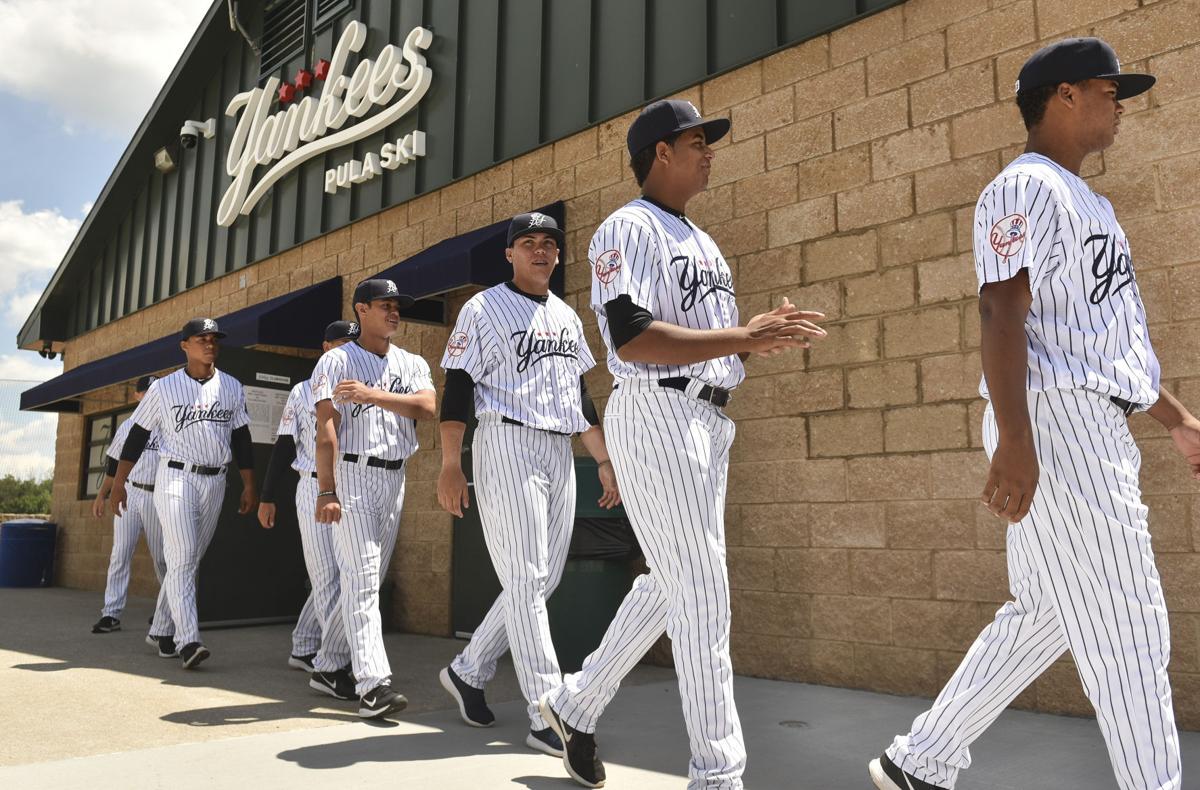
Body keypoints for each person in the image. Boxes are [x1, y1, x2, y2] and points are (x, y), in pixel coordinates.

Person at [869, 38, 1200, 790]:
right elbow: (1001, 310)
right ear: (1065, 95)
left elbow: (1100, 340)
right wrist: (1016, 440)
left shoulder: (1089, 201)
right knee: (1130, 624)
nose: (1120, 105)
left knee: (1046, 613)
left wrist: (1175, 417)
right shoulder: (1024, 188)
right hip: (1057, 421)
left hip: (1082, 414)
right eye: (1109, 91)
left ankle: (919, 760)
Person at [537, 99, 826, 789]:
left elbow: (711, 351)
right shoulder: (624, 228)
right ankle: (717, 775)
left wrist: (753, 339)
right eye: (697, 140)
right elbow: (633, 336)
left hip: (706, 419)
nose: (709, 151)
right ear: (660, 152)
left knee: (674, 584)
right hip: (656, 414)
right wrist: (742, 338)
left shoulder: (703, 239)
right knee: (703, 593)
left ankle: (576, 705)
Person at [435, 211, 620, 758]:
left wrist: (603, 461)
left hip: (557, 448)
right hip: (506, 442)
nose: (540, 251)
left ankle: (468, 671)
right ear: (510, 254)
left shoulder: (565, 315)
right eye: (528, 243)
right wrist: (451, 462)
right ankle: (549, 713)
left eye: (549, 244)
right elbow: (457, 387)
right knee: (525, 577)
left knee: (541, 579)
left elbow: (580, 396)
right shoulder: (483, 307)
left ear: (558, 257)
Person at [309, 278, 437, 718]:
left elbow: (427, 407)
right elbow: (326, 430)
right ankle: (373, 685)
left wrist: (372, 395)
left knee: (367, 581)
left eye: (398, 305)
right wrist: (327, 489)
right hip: (353, 475)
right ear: (361, 310)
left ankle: (328, 666)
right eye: (385, 305)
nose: (395, 311)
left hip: (395, 476)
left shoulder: (412, 361)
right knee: (362, 581)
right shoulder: (336, 362)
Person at [110, 318, 258, 669]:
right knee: (184, 554)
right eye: (201, 339)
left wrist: (249, 483)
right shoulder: (163, 388)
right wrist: (119, 484)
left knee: (186, 561)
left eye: (213, 339)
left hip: (215, 480)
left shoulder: (233, 387)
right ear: (184, 346)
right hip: (175, 477)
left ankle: (161, 629)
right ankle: (188, 639)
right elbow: (137, 436)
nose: (209, 344)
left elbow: (241, 438)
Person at [258, 320, 361, 673]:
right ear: (326, 347)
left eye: (352, 342)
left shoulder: (362, 387)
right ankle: (336, 661)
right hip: (313, 484)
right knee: (325, 577)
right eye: (341, 343)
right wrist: (267, 496)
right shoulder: (303, 391)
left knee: (344, 574)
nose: (347, 349)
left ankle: (305, 644)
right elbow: (284, 445)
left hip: (355, 483)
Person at [89, 374, 173, 650]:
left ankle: (167, 612)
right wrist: (102, 495)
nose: (150, 395)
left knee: (163, 558)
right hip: (130, 492)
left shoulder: (167, 425)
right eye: (146, 392)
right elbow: (113, 469)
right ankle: (111, 613)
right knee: (119, 554)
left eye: (154, 392)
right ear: (137, 396)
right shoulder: (127, 427)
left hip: (157, 495)